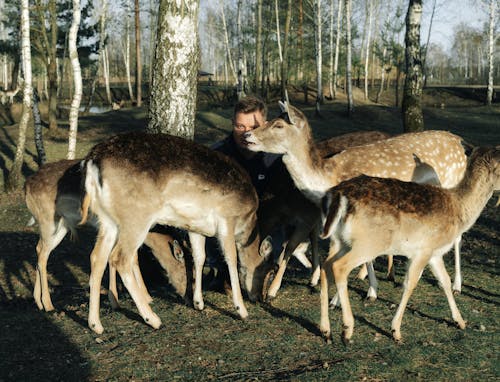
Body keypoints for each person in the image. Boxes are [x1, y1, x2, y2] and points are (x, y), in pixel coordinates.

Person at [206, 96, 286, 290]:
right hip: (227, 223)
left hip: (264, 222)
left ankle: (265, 269)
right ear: (232, 124)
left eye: (252, 128)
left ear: (265, 126)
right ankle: (222, 271)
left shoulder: (277, 158)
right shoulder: (216, 156)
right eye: (240, 127)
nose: (245, 133)